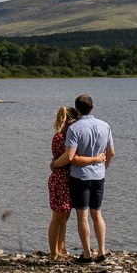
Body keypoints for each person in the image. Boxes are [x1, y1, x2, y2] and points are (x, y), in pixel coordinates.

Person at [61, 93, 115, 263]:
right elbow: (111, 152)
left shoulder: (74, 128)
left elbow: (71, 157)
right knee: (97, 213)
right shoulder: (105, 126)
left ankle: (87, 254)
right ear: (93, 107)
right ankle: (102, 251)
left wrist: (54, 164)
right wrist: (103, 167)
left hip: (80, 177)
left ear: (77, 109)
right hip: (99, 175)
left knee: (82, 216)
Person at [48, 106, 104, 261]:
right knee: (58, 216)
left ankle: (61, 248)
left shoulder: (66, 135)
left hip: (67, 178)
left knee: (64, 217)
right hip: (61, 178)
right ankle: (53, 253)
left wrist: (54, 164)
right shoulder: (62, 137)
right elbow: (71, 158)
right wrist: (97, 159)